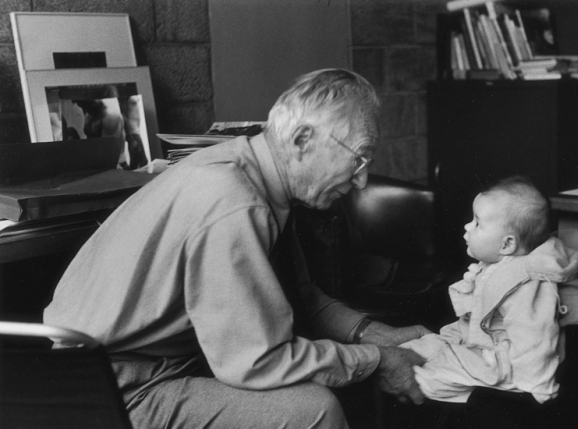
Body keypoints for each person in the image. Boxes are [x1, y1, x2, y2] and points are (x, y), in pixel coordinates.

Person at [43, 69, 432, 429]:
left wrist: (372, 335)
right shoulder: (236, 202)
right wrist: (373, 362)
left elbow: (303, 298)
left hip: (137, 365)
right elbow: (255, 361)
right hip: (110, 390)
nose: (363, 180)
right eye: (359, 157)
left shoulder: (255, 174)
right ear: (302, 140)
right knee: (313, 410)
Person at [399, 176, 578, 405]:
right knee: (412, 350)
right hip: (478, 342)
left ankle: (484, 398)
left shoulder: (525, 284)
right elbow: (478, 314)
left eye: (477, 223)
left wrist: (538, 388)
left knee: (428, 380)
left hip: (504, 363)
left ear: (507, 245)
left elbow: (535, 338)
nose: (467, 226)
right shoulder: (499, 264)